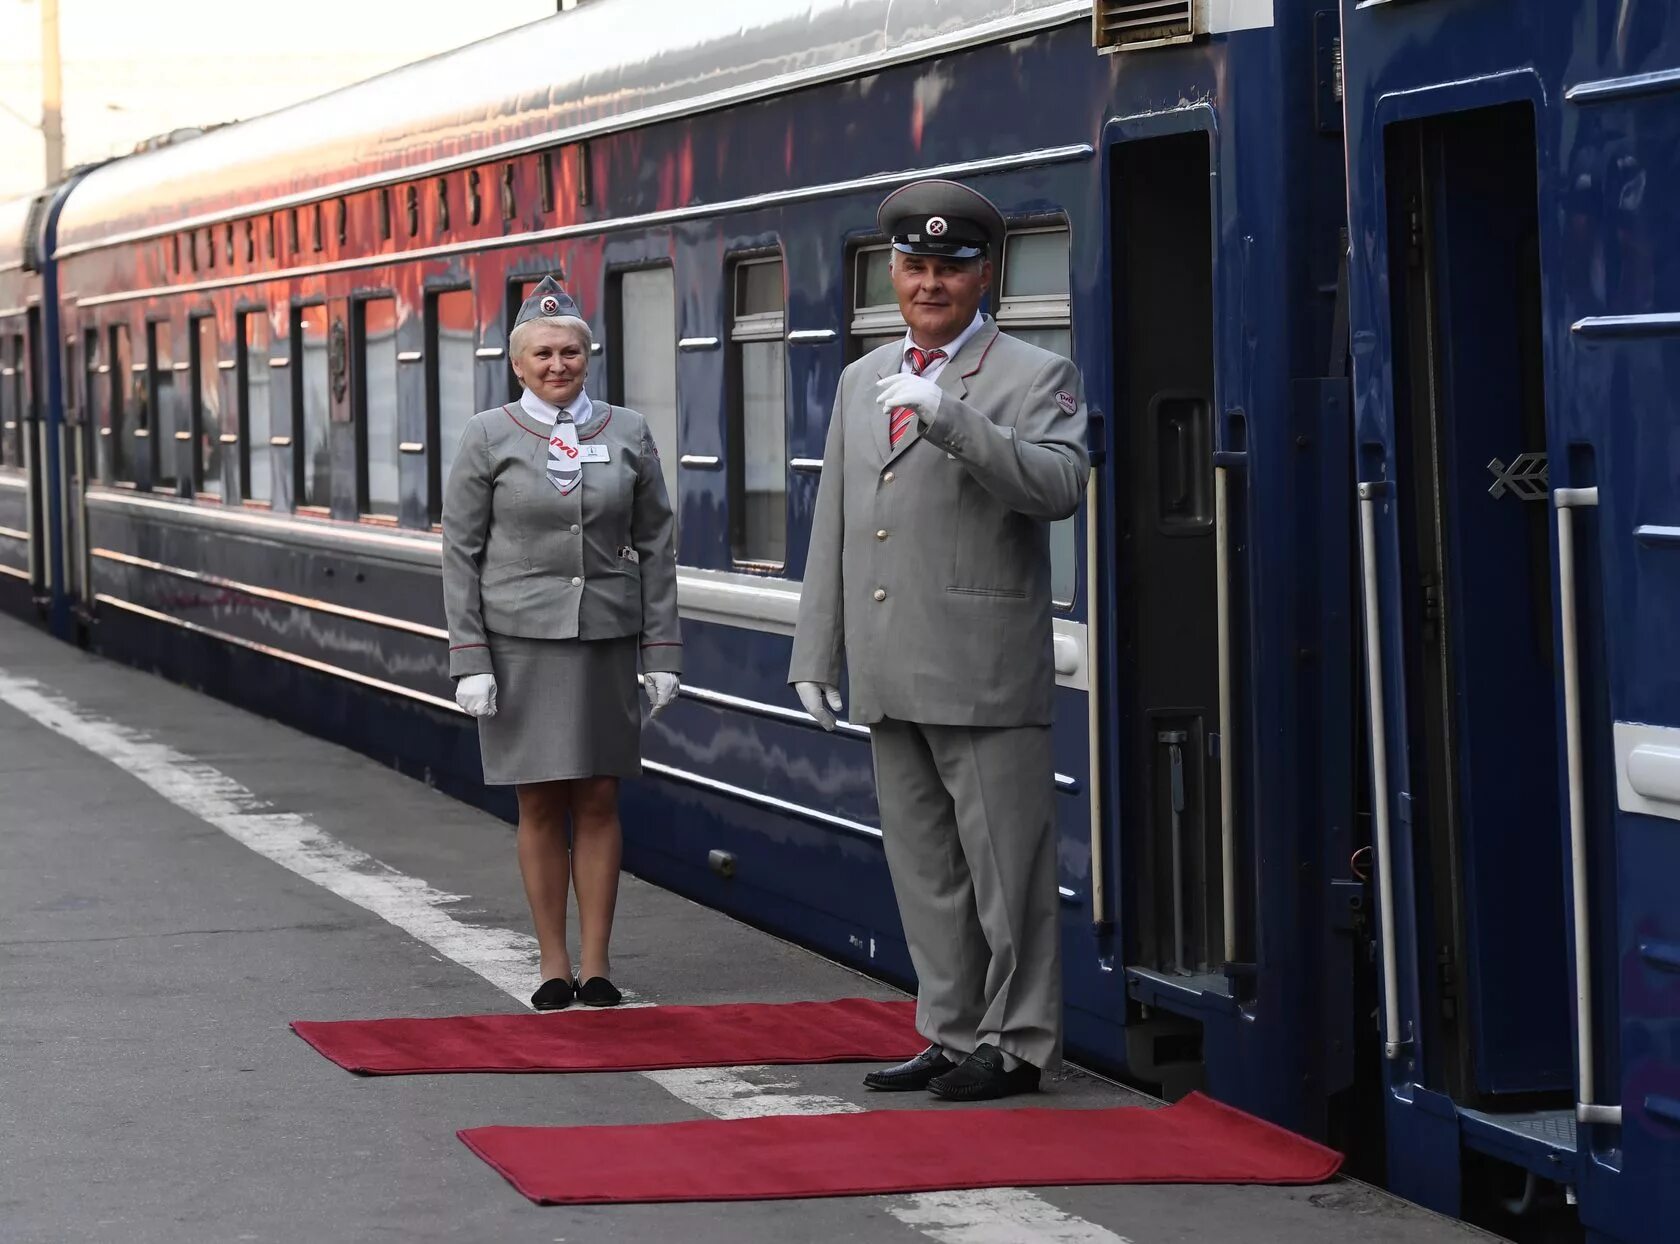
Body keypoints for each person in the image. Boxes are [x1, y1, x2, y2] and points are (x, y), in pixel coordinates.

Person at [789, 180, 1089, 1100]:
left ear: (984, 274)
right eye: (914, 267)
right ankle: (950, 1031)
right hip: (888, 661)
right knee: (926, 873)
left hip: (981, 667)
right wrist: (816, 651)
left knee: (1007, 876)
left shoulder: (1035, 375)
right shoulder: (858, 377)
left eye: (949, 269)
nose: (929, 284)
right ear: (894, 273)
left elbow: (1058, 487)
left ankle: (1021, 1041)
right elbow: (837, 518)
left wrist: (952, 419)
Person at [442, 275, 681, 1012]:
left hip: (605, 637)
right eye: (542, 353)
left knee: (601, 796)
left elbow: (657, 543)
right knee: (541, 802)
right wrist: (469, 657)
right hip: (519, 645)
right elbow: (461, 550)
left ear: (589, 355)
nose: (557, 364)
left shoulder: (628, 431)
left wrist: (662, 649)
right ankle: (552, 963)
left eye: (570, 351)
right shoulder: (489, 435)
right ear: (518, 364)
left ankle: (599, 964)